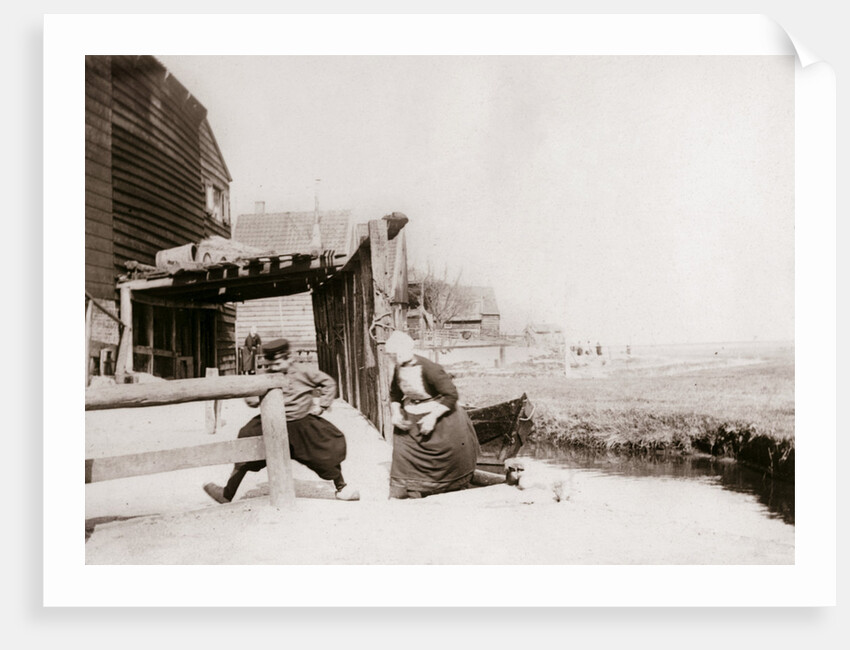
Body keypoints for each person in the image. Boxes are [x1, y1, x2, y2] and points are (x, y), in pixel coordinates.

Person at [203, 338, 360, 503]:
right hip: (273, 423)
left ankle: (342, 487)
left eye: (279, 363)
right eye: (272, 364)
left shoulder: (303, 371)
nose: (275, 368)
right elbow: (252, 399)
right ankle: (227, 494)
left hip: (301, 423)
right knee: (246, 441)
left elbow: (328, 383)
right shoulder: (266, 375)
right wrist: (253, 393)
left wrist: (322, 405)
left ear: (288, 358)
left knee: (325, 449)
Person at [384, 330, 480, 499]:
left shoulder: (429, 368)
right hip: (413, 411)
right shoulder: (399, 368)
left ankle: (447, 487)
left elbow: (451, 395)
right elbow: (395, 394)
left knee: (447, 453)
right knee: (402, 445)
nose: (393, 358)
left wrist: (432, 417)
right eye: (391, 355)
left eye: (395, 354)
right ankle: (410, 488)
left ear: (406, 351)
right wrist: (395, 413)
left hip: (439, 411)